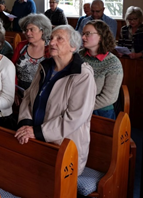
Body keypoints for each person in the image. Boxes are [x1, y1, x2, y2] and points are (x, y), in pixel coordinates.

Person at [15, 25, 96, 175]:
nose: (52, 42)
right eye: (51, 38)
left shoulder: (82, 75)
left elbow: (75, 117)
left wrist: (38, 132)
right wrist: (25, 124)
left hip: (63, 147)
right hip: (35, 140)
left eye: (59, 39)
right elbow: (28, 97)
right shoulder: (45, 66)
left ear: (73, 46)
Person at [80, 20, 123, 119]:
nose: (83, 37)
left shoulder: (113, 63)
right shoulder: (79, 56)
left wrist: (82, 107)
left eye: (88, 34)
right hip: (76, 106)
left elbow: (109, 98)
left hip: (101, 111)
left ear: (101, 36)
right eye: (83, 34)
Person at [12, 14, 52, 93]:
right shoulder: (21, 46)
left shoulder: (51, 47)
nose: (28, 33)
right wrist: (15, 91)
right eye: (26, 30)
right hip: (21, 92)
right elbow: (11, 69)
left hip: (43, 92)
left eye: (32, 29)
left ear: (42, 30)